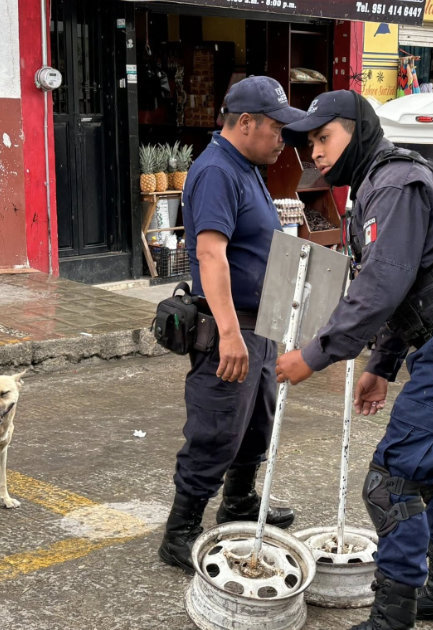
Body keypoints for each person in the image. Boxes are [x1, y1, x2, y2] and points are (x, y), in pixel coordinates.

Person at [275, 90, 433, 630]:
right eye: (309, 143)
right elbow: (406, 284)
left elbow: (380, 287)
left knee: (391, 482)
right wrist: (380, 367)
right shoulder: (379, 184)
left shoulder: (394, 183)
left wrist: (314, 356)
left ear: (358, 129)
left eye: (324, 137)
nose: (314, 152)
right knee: (432, 472)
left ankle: (393, 617)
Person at [158, 76, 306, 573]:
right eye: (276, 128)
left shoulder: (247, 167)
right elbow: (209, 254)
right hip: (232, 324)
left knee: (255, 425)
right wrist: (227, 333)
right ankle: (179, 534)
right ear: (245, 123)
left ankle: (239, 503)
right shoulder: (218, 171)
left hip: (259, 323)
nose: (282, 139)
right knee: (216, 428)